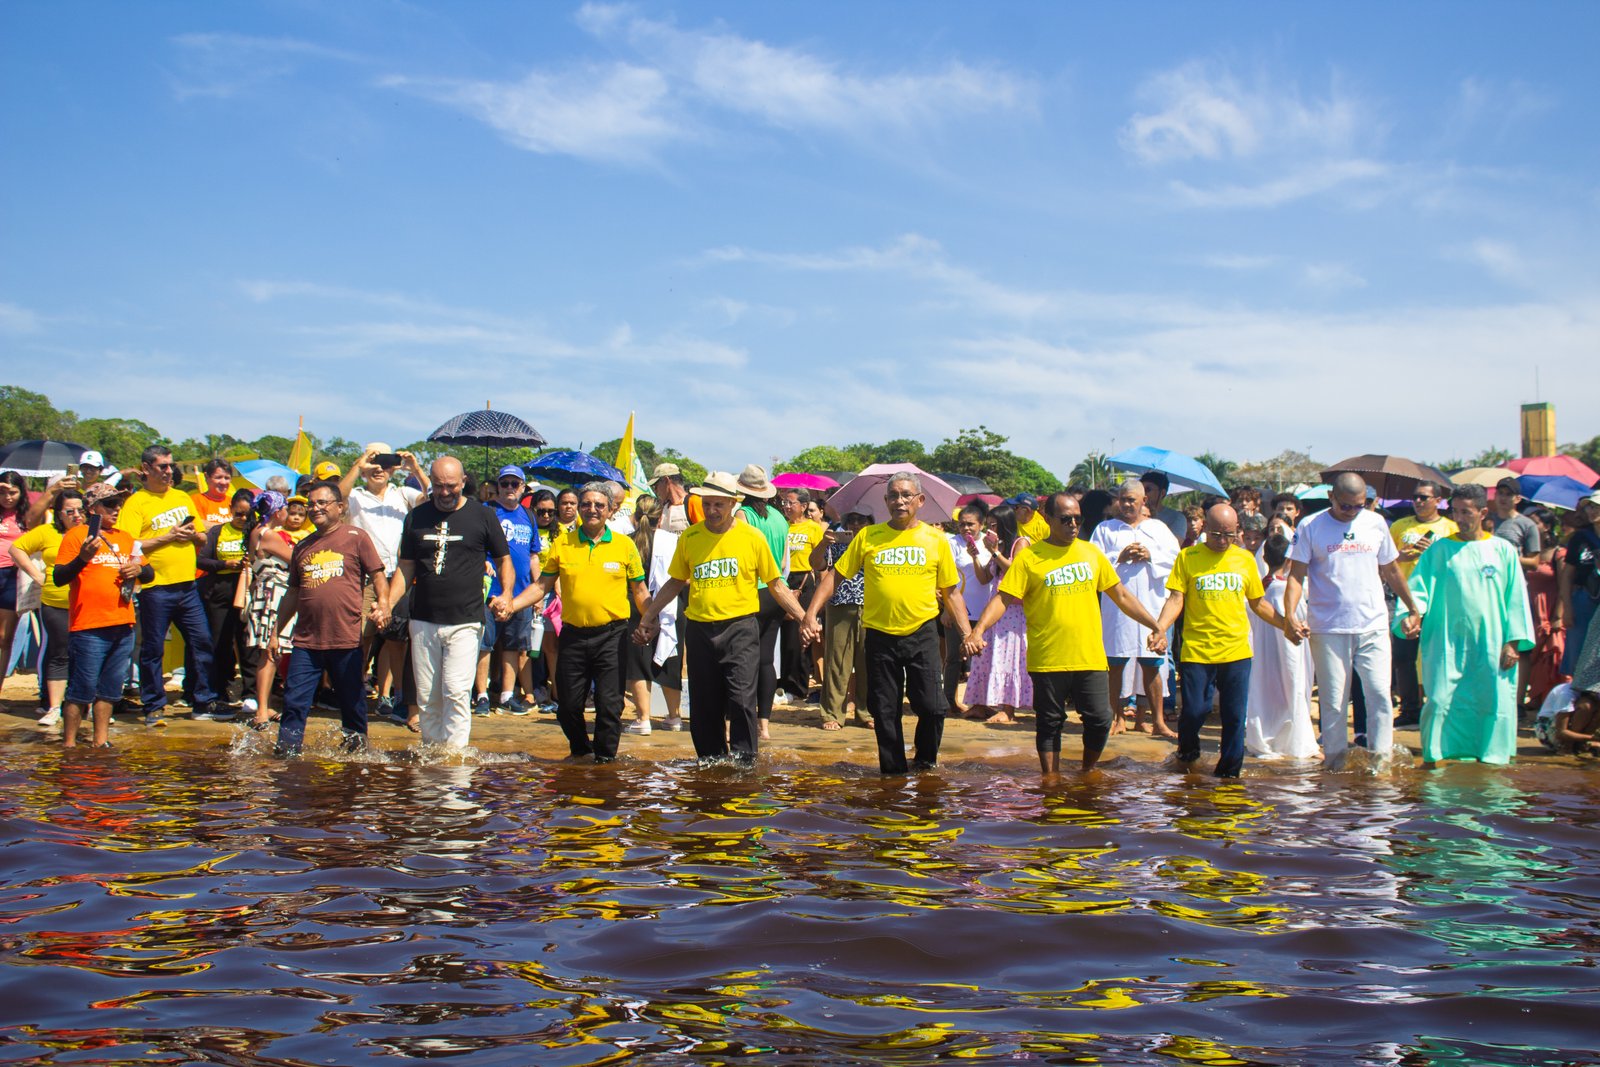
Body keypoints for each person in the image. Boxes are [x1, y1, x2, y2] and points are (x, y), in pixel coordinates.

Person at [965, 493, 1164, 774]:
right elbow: (1003, 598)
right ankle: (1051, 780)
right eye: (1065, 519)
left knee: (1100, 718)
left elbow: (1120, 594)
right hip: (1048, 658)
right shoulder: (1030, 558)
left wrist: (1156, 625)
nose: (1073, 524)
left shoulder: (1091, 553)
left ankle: (1087, 770)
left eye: (1077, 519)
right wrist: (978, 630)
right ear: (1047, 519)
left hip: (1090, 657)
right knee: (1050, 722)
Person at [802, 472, 967, 775]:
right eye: (893, 496)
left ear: (920, 500)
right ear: (886, 501)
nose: (899, 501)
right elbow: (836, 576)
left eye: (906, 495)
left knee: (933, 707)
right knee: (885, 710)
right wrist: (811, 613)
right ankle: (893, 774)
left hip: (922, 632)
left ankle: (925, 762)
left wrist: (968, 633)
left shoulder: (936, 540)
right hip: (879, 635)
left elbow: (952, 591)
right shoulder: (868, 536)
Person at [637, 472, 806, 762]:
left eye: (719, 505)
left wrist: (805, 617)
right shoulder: (690, 537)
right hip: (700, 630)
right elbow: (675, 581)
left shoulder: (752, 537)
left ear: (732, 504)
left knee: (741, 699)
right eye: (707, 504)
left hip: (740, 629)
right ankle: (710, 760)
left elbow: (776, 583)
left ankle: (744, 763)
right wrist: (648, 616)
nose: (712, 511)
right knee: (704, 703)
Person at [494, 481, 646, 762]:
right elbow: (542, 586)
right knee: (567, 706)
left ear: (611, 510)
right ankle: (581, 751)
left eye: (599, 505)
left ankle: (604, 760)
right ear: (578, 508)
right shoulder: (563, 543)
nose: (592, 510)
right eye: (585, 504)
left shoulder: (625, 546)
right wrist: (512, 605)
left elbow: (639, 591)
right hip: (574, 634)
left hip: (613, 635)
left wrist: (651, 619)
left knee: (609, 705)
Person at [1283, 472, 1421, 765]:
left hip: (1372, 624)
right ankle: (1334, 764)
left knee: (1380, 696)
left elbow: (1392, 569)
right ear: (1331, 497)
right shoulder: (1311, 526)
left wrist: (1412, 606)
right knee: (1333, 702)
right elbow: (1296, 576)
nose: (1352, 512)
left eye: (1360, 505)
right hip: (1328, 627)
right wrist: (1289, 617)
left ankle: (1381, 763)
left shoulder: (1375, 523)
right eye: (1346, 506)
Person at [1395, 484, 1534, 766]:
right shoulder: (1439, 551)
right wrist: (1411, 615)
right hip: (1446, 641)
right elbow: (1419, 591)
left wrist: (1513, 641)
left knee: (1491, 700)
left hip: (1492, 642)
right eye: (1455, 511)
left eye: (1466, 512)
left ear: (1483, 512)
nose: (1460, 518)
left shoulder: (1502, 550)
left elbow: (1516, 600)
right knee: (1439, 700)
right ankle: (1436, 755)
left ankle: (1491, 759)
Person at [1151, 503, 1293, 778]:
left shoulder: (1245, 560)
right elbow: (1176, 598)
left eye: (1229, 535)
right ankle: (1188, 753)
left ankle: (1229, 773)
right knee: (1195, 710)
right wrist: (1159, 628)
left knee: (1235, 716)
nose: (1222, 541)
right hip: (1197, 650)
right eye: (1216, 534)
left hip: (1236, 650)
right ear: (1205, 529)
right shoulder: (1188, 557)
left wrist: (1285, 624)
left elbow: (1258, 603)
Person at [391, 456, 513, 750]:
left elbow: (504, 559)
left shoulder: (483, 516)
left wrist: (507, 593)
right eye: (437, 486)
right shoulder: (416, 517)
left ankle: (454, 758)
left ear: (463, 483)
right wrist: (387, 603)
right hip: (423, 618)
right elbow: (405, 567)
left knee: (456, 690)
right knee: (428, 695)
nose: (444, 493)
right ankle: (433, 753)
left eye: (450, 486)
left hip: (466, 619)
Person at [269, 481, 389, 756]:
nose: (315, 508)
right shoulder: (302, 546)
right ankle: (287, 754)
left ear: (340, 506)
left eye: (322, 503)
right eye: (312, 504)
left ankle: (356, 753)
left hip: (345, 638)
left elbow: (378, 575)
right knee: (295, 701)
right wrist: (276, 632)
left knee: (352, 702)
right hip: (306, 641)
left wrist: (383, 603)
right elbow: (293, 593)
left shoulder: (356, 537)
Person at [118, 446, 229, 723]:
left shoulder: (181, 497)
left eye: (170, 465)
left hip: (187, 585)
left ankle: (202, 701)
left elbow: (203, 539)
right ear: (145, 468)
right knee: (153, 648)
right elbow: (128, 544)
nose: (169, 471)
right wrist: (168, 537)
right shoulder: (137, 502)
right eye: (162, 466)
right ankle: (153, 705)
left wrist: (192, 535)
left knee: (202, 643)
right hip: (155, 587)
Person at [53, 483, 153, 748]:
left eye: (118, 503)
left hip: (122, 623)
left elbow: (150, 573)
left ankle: (101, 742)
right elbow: (59, 577)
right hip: (88, 625)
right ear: (93, 508)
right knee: (80, 690)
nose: (116, 509)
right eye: (110, 504)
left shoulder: (126, 537)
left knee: (110, 690)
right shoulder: (77, 536)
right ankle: (69, 744)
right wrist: (83, 558)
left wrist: (137, 570)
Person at [340, 443, 429, 721]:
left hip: (398, 575)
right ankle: (353, 690)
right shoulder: (355, 495)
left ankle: (391, 695)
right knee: (361, 636)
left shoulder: (402, 493)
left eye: (385, 463)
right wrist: (359, 466)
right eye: (374, 462)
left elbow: (435, 496)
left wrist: (415, 469)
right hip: (364, 575)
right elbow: (336, 498)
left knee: (397, 638)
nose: (379, 469)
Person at [1090, 479, 1180, 739]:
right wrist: (1118, 557)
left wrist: (1150, 555)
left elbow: (1175, 559)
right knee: (1115, 662)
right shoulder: (1106, 529)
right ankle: (1116, 717)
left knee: (1152, 663)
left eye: (1132, 499)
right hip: (1117, 609)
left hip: (1152, 606)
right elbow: (1094, 562)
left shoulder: (1159, 529)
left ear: (1144, 502)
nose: (1127, 504)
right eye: (1123, 499)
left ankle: (1156, 721)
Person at [10, 488, 85, 726]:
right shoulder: (48, 531)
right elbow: (16, 549)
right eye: (70, 511)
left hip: (87, 603)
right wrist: (35, 575)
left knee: (88, 654)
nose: (76, 515)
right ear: (58, 513)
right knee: (59, 652)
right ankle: (54, 707)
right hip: (55, 601)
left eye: (80, 510)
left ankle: (86, 705)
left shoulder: (91, 532)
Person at [1387, 481, 1457, 728]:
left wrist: (1435, 552)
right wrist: (1399, 557)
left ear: (1438, 500)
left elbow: (1457, 564)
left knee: (1438, 655)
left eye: (1424, 497)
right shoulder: (1399, 526)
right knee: (1404, 656)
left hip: (1439, 599)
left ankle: (1440, 707)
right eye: (1415, 497)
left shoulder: (1451, 528)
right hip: (1407, 600)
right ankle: (1409, 709)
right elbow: (1384, 561)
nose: (1418, 501)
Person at [245, 490, 316, 729]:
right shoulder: (269, 535)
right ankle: (262, 710)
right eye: (286, 508)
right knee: (270, 652)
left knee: (271, 652)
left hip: (267, 592)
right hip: (272, 595)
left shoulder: (258, 531)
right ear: (277, 512)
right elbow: (297, 559)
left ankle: (264, 706)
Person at [475, 465, 542, 715]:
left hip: (521, 593)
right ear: (498, 486)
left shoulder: (529, 515)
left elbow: (534, 555)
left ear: (523, 487)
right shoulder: (486, 511)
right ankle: (482, 695)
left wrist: (538, 590)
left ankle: (506, 695)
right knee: (485, 644)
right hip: (490, 591)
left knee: (515, 646)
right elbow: (475, 545)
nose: (510, 488)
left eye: (515, 484)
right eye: (505, 484)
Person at [1245, 533, 1318, 759]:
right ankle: (1296, 742)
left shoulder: (1258, 589)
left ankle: (1271, 736)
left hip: (1263, 651)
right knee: (1291, 688)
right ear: (1289, 560)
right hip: (1287, 648)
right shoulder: (1284, 591)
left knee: (1268, 691)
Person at [963, 503, 1032, 724]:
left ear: (1005, 524)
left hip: (1014, 610)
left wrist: (994, 552)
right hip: (994, 608)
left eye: (994, 525)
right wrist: (975, 556)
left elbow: (1015, 571)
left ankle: (1008, 709)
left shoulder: (1020, 543)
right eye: (989, 525)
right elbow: (985, 578)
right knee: (988, 656)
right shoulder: (999, 546)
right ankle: (980, 704)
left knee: (1010, 658)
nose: (990, 530)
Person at [736, 465, 790, 736]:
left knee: (745, 658)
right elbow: (783, 561)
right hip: (777, 590)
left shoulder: (742, 515)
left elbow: (740, 554)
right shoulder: (780, 518)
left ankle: (740, 719)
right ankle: (764, 725)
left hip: (753, 590)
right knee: (767, 659)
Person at [622, 495, 683, 735]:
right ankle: (674, 716)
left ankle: (643, 718)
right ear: (662, 517)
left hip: (635, 607)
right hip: (670, 607)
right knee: (671, 660)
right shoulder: (674, 541)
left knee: (637, 662)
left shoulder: (626, 542)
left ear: (635, 516)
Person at [196, 488, 258, 710]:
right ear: (231, 511)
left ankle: (251, 692)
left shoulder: (255, 532)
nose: (242, 519)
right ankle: (222, 689)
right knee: (220, 642)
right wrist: (224, 564)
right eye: (238, 514)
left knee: (248, 643)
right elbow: (201, 561)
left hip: (248, 589)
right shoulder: (218, 532)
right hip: (220, 591)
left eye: (247, 515)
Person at [816, 511, 872, 730]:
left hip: (872, 607)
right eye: (852, 520)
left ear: (870, 522)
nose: (856, 524)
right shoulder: (837, 542)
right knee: (837, 662)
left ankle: (866, 713)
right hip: (840, 604)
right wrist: (823, 543)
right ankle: (832, 713)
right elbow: (817, 564)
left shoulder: (877, 541)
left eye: (862, 520)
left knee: (868, 662)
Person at [946, 503, 994, 717]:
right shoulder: (952, 543)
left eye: (970, 524)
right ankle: (949, 700)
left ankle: (981, 702)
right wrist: (945, 609)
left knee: (984, 658)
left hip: (985, 611)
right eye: (961, 524)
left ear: (981, 524)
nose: (965, 529)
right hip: (958, 611)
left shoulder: (989, 543)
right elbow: (945, 580)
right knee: (954, 658)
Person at [778, 486, 825, 704]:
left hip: (804, 582)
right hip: (782, 581)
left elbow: (821, 564)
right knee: (784, 635)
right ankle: (784, 683)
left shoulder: (814, 529)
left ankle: (798, 686)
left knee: (801, 635)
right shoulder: (781, 526)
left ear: (804, 506)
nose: (786, 506)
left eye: (791, 503)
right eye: (784, 503)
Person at [1522, 506, 1568, 710]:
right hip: (1527, 608)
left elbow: (1564, 586)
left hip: (1549, 610)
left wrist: (1557, 616)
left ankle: (1550, 704)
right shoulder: (1524, 552)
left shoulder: (1559, 553)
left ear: (1547, 526)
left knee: (1549, 657)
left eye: (1535, 521)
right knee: (1528, 655)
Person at [1557, 493, 1600, 678]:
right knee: (1579, 652)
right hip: (1583, 600)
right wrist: (1566, 608)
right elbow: (1567, 575)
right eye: (1589, 506)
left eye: (1596, 506)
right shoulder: (1580, 538)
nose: (1592, 511)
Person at [0, 470, 31, 687]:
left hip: (13, 576)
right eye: (2, 492)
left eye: (13, 492)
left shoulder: (27, 517)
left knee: (4, 637)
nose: (8, 497)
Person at [1491, 477, 1542, 571]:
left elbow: (1534, 563)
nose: (1503, 498)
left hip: (1514, 579)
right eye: (1500, 493)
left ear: (1517, 499)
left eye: (1508, 494)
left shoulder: (1527, 525)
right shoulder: (1486, 521)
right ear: (1495, 495)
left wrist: (1509, 558)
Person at [1533, 682, 1598, 756]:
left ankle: (1579, 744)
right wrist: (1594, 738)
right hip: (1549, 732)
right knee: (1585, 707)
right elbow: (1561, 732)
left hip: (1564, 729)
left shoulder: (1588, 694)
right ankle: (1566, 746)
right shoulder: (1566, 695)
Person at [1141, 471, 1189, 544]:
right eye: (1141, 489)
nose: (1143, 493)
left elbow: (1174, 545)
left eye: (1148, 489)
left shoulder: (1176, 518)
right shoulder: (1133, 514)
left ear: (1162, 493)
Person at [650, 464, 699, 534]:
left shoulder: (693, 502)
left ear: (666, 480)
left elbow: (705, 534)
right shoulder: (663, 508)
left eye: (656, 485)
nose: (655, 490)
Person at [190, 459, 235, 530]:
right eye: (218, 477)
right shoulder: (195, 500)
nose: (223, 482)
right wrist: (230, 528)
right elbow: (197, 525)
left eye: (227, 478)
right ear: (207, 477)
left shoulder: (234, 502)